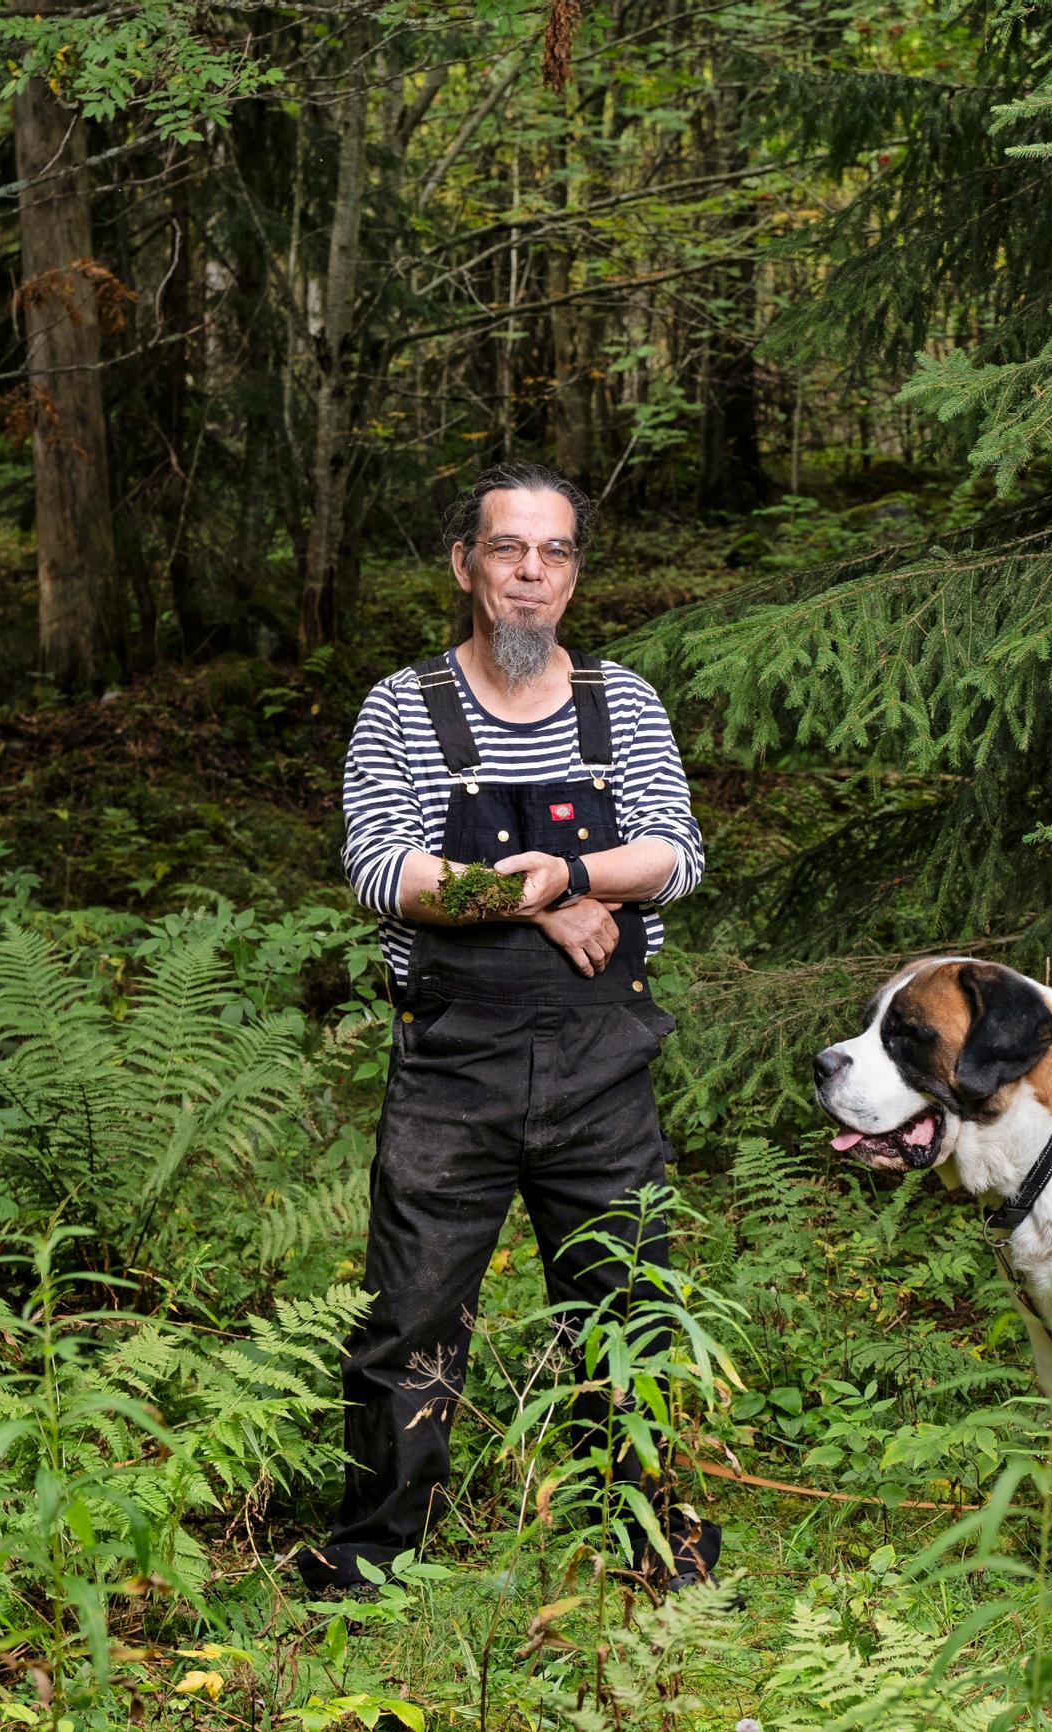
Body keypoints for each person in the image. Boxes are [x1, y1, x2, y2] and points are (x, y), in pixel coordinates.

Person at [299, 462, 718, 1596]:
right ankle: (377, 1556)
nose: (528, 574)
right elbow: (386, 874)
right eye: (505, 550)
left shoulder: (619, 704)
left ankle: (647, 1540)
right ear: (463, 565)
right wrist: (551, 899)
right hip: (452, 1071)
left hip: (600, 1069)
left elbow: (673, 857)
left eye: (552, 553)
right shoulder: (402, 707)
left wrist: (577, 869)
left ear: (572, 576)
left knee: (627, 1307)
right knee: (410, 1315)